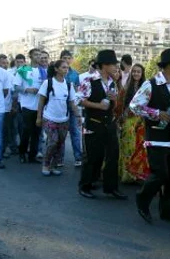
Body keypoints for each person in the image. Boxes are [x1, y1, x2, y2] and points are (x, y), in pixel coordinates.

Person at [131, 47, 170, 223]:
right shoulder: (150, 84)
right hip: (156, 137)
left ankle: (168, 211)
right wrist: (156, 113)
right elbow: (135, 106)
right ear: (169, 65)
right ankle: (142, 199)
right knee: (160, 174)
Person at [78, 50, 127, 199]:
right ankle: (85, 185)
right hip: (94, 123)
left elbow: (116, 104)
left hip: (109, 124)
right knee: (93, 157)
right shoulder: (89, 80)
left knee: (113, 155)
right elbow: (79, 100)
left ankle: (111, 188)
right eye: (114, 65)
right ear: (104, 65)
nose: (116, 68)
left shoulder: (113, 82)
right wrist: (98, 106)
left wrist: (115, 99)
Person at [36, 59, 79, 176]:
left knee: (60, 143)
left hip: (63, 119)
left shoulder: (69, 85)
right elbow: (41, 101)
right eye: (63, 67)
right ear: (56, 69)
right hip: (49, 117)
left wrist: (78, 115)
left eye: (67, 67)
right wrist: (38, 117)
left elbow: (72, 103)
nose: (66, 69)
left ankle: (53, 165)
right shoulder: (48, 83)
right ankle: (46, 164)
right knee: (53, 142)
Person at [118, 63, 149, 183]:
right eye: (134, 71)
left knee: (141, 148)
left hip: (142, 121)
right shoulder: (126, 88)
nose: (136, 73)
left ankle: (139, 175)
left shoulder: (146, 87)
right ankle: (127, 174)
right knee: (128, 146)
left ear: (142, 74)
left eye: (138, 72)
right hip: (129, 121)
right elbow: (121, 106)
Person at [14, 48, 45, 164]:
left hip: (39, 105)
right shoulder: (23, 70)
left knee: (37, 132)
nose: (38, 57)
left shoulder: (43, 71)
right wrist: (28, 89)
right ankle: (22, 153)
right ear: (30, 56)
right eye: (36, 55)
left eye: (40, 55)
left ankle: (33, 155)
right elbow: (16, 87)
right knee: (27, 130)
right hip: (26, 105)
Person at [60, 50, 83, 167]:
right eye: (64, 58)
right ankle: (59, 158)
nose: (67, 60)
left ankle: (78, 157)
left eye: (69, 58)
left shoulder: (76, 74)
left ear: (72, 60)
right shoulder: (57, 74)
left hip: (73, 106)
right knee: (61, 134)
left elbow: (79, 91)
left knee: (75, 132)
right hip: (60, 107)